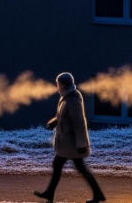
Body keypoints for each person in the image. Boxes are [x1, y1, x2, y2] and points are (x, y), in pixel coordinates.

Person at [35, 72, 106, 203]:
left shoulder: (73, 99)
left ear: (62, 85)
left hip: (72, 143)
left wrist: (81, 145)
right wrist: (54, 122)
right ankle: (50, 194)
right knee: (63, 165)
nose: (57, 87)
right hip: (67, 142)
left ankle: (97, 194)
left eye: (58, 84)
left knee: (75, 167)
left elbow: (78, 123)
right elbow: (64, 115)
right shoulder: (67, 97)